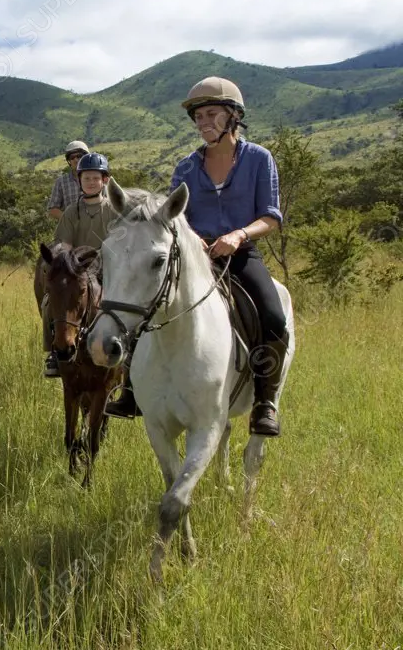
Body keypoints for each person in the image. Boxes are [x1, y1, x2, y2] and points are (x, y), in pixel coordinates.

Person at [116, 76, 285, 434]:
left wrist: (239, 235)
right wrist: (193, 241)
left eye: (211, 114)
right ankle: (132, 390)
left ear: (233, 116)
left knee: (273, 316)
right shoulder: (186, 167)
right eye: (199, 117)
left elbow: (270, 216)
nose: (204, 122)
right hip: (196, 257)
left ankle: (264, 402)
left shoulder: (259, 159)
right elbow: (174, 219)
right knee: (143, 305)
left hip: (240, 254)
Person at [42, 152, 120, 377]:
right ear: (79, 180)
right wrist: (71, 267)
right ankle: (54, 354)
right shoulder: (70, 212)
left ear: (105, 180)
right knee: (50, 303)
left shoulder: (113, 210)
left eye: (96, 178)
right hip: (78, 271)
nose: (91, 182)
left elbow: (118, 243)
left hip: (108, 269)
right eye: (86, 178)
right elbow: (65, 245)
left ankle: (132, 357)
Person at [46, 140, 90, 221]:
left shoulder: (97, 179)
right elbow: (52, 209)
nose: (76, 160)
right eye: (72, 157)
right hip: (72, 231)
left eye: (79, 156)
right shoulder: (61, 182)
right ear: (69, 161)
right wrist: (69, 220)